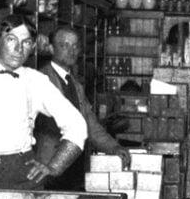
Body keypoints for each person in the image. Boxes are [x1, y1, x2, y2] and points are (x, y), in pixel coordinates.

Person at [0, 12, 87, 189]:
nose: (19, 48)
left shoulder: (36, 81)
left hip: (23, 174)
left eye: (26, 42)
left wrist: (54, 167)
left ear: (33, 46)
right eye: (11, 39)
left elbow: (77, 126)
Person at [35, 24, 129, 190]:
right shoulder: (41, 79)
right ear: (51, 48)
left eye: (75, 46)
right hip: (47, 166)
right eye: (64, 45)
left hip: (73, 167)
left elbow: (90, 124)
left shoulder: (76, 84)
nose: (71, 51)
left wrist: (113, 147)